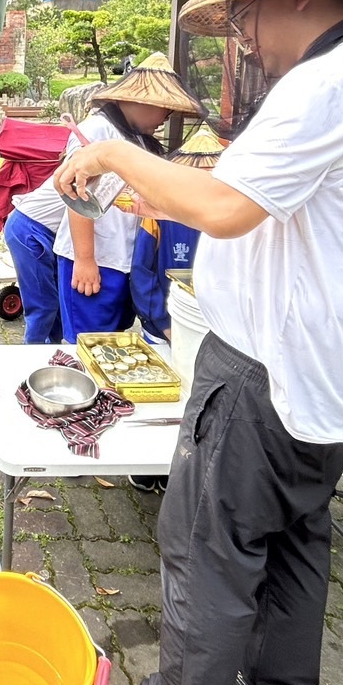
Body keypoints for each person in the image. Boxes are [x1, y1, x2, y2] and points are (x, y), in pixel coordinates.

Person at [56, 0, 343, 685]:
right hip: (329, 372)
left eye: (245, 14)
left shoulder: (329, 83)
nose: (241, 36)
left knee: (205, 548)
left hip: (264, 371)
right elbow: (264, 205)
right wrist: (154, 192)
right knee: (292, 536)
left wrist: (113, 152)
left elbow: (224, 208)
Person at [54, 54, 202, 343]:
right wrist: (85, 259)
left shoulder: (139, 139)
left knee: (113, 338)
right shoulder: (97, 130)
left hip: (123, 258)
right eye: (165, 110)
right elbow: (77, 194)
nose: (165, 119)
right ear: (146, 102)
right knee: (88, 341)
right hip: (96, 259)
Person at [125, 125, 224, 495]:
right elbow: (142, 272)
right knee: (159, 401)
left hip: (212, 330)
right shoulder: (159, 214)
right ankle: (145, 466)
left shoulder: (232, 218)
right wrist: (163, 322)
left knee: (198, 404)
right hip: (162, 325)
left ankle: (182, 470)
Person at [2, 177, 68, 344]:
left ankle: (52, 350)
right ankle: (31, 353)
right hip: (30, 229)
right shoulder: (90, 168)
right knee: (44, 304)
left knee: (59, 302)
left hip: (40, 228)